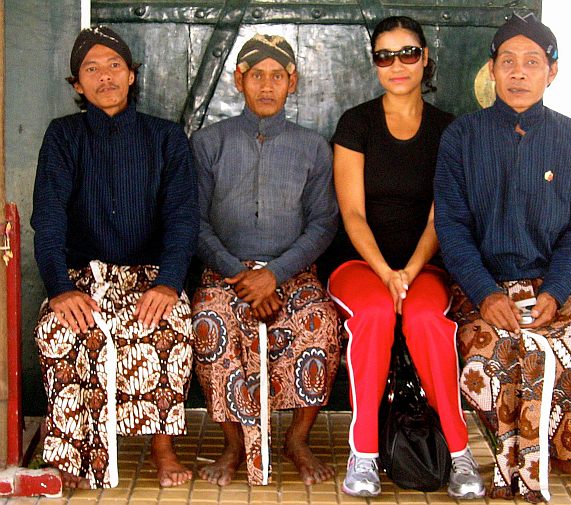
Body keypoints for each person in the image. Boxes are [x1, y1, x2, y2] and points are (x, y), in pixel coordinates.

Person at [434, 12, 571, 503]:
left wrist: (557, 293)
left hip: (549, 283)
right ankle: (507, 458)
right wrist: (484, 292)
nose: (519, 73)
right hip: (481, 285)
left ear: (551, 71)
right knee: (490, 359)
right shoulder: (461, 138)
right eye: (509, 62)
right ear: (491, 70)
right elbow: (451, 229)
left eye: (532, 63)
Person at [31, 26, 198, 489]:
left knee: (168, 323)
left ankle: (162, 448)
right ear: (77, 85)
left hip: (148, 274)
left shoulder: (164, 138)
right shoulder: (64, 136)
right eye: (91, 68)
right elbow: (47, 220)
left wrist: (168, 282)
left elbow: (183, 219)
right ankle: (69, 454)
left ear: (131, 75)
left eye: (114, 66)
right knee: (58, 330)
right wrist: (61, 290)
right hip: (82, 274)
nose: (104, 77)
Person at [327, 16, 485, 499]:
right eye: (385, 56)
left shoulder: (448, 130)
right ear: (374, 63)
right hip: (359, 263)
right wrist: (386, 274)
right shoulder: (356, 123)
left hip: (424, 265)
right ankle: (365, 453)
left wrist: (410, 273)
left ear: (425, 58)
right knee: (374, 314)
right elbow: (352, 214)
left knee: (428, 323)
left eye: (408, 53)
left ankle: (459, 454)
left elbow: (442, 218)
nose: (397, 65)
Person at [190, 34, 340, 487]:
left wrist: (274, 275)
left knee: (321, 321)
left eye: (278, 76)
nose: (268, 85)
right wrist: (240, 275)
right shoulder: (208, 143)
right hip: (226, 272)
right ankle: (234, 444)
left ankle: (297, 439)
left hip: (291, 273)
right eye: (258, 75)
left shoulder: (313, 147)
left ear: (292, 82)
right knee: (208, 318)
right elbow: (193, 222)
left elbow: (323, 224)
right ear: (240, 80)